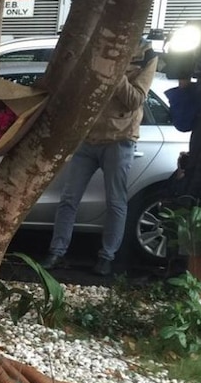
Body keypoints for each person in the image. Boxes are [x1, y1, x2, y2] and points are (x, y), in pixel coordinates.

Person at [41, 40, 158, 276]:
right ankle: (57, 251)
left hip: (119, 138)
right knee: (68, 199)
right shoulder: (102, 43)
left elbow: (135, 100)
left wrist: (115, 73)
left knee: (116, 201)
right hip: (87, 136)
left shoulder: (146, 54)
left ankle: (106, 257)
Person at [166, 72, 201, 301]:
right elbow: (183, 122)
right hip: (200, 156)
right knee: (196, 223)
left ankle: (198, 295)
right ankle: (197, 295)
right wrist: (184, 84)